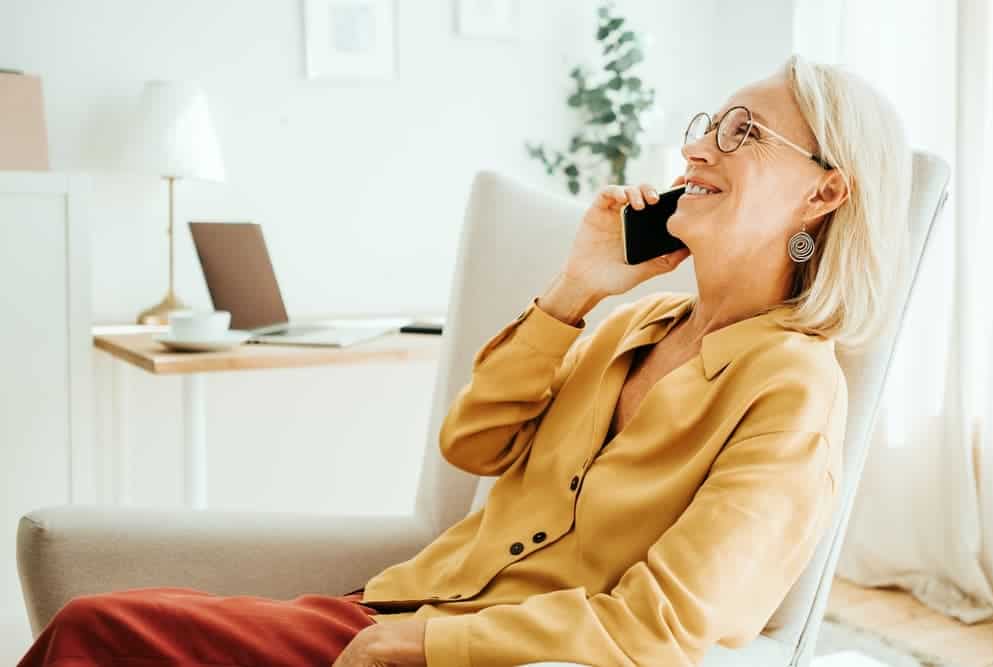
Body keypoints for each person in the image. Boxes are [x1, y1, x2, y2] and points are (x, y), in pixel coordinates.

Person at [18, 53, 911, 667]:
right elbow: (472, 442)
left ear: (825, 192)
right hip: (393, 613)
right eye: (707, 125)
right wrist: (574, 288)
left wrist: (429, 644)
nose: (697, 148)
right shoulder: (624, 326)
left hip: (468, 649)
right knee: (99, 630)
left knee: (97, 632)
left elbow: (669, 624)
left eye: (743, 133)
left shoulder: (793, 390)